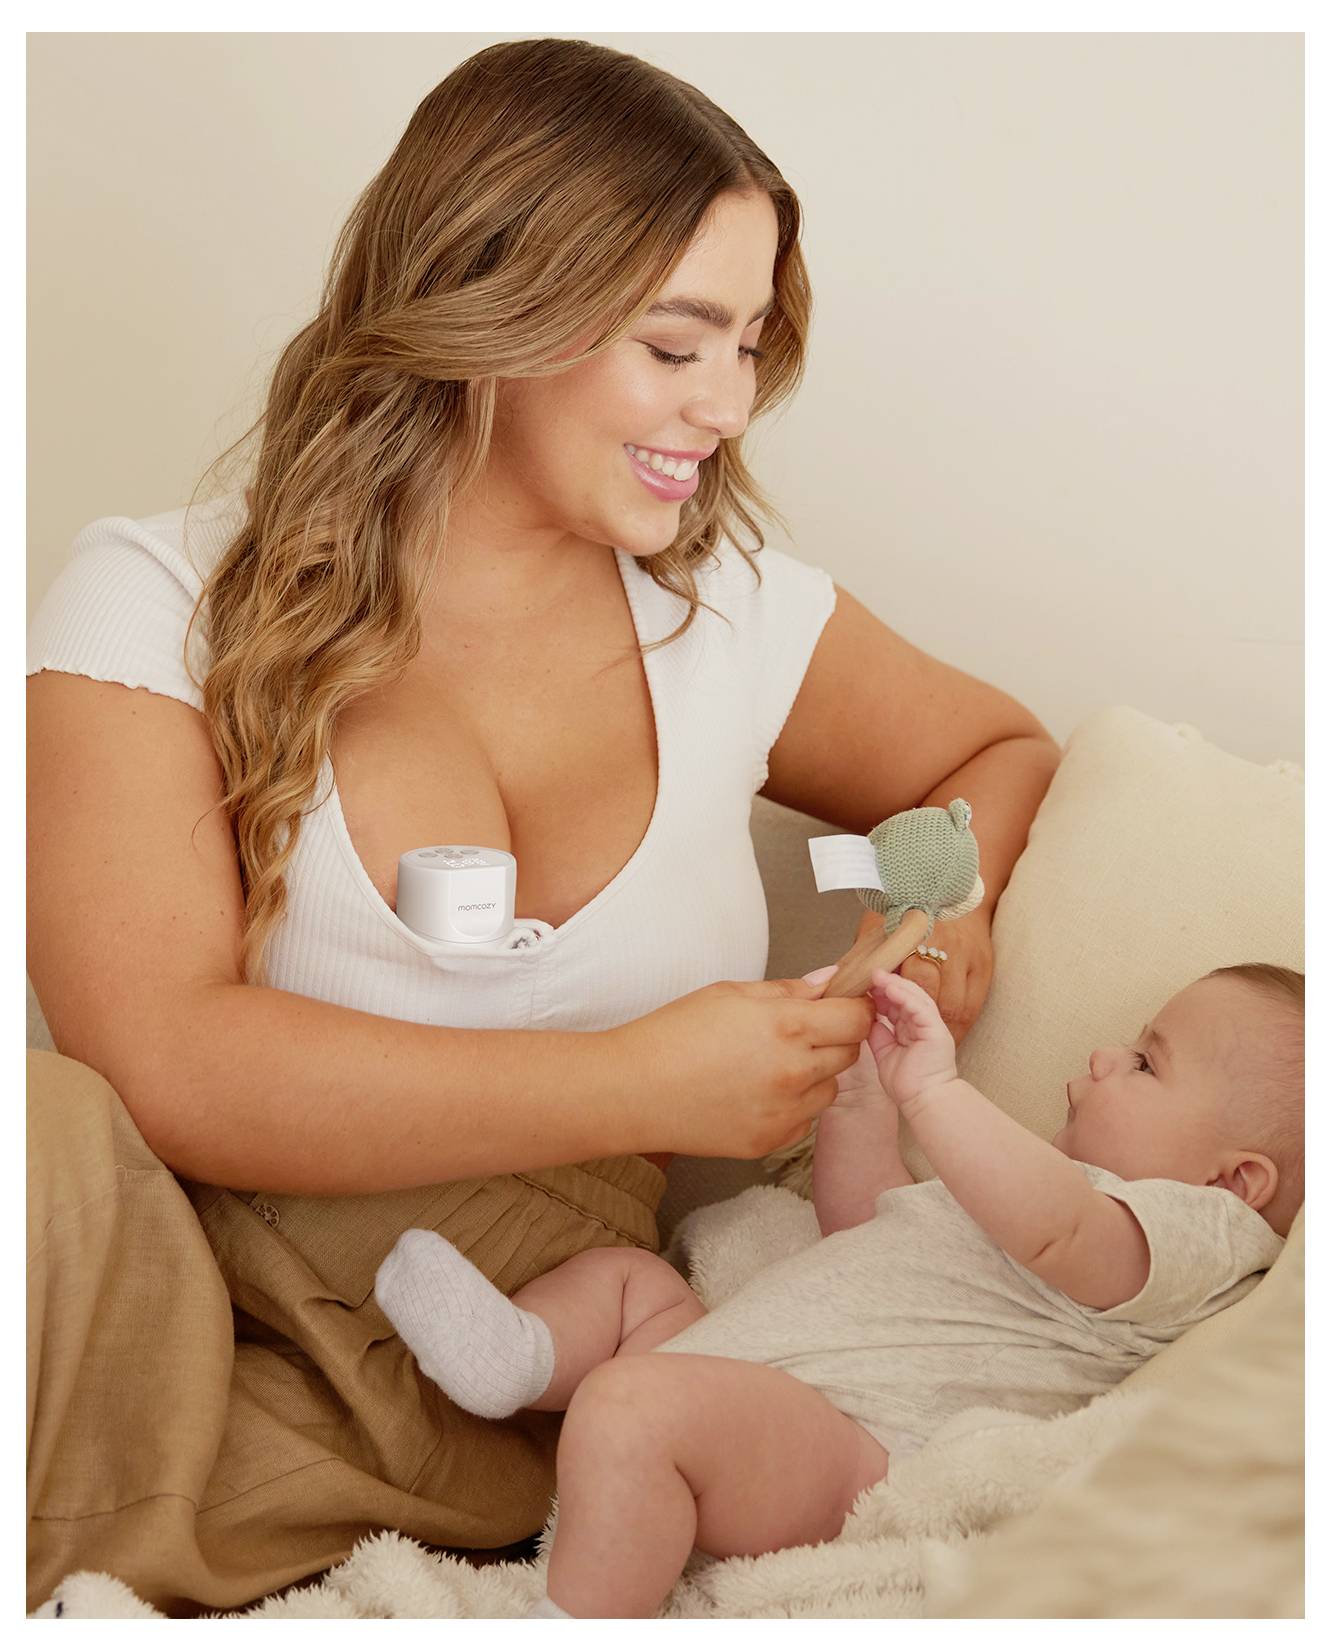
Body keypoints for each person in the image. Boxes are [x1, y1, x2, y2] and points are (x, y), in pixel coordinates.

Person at [25, 37, 1060, 1615]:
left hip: (490, 1360)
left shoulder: (739, 625)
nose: (725, 403)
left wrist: (955, 898)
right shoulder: (159, 599)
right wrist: (638, 1077)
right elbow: (157, 1057)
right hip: (160, 1274)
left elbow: (992, 745)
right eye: (676, 344)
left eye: (750, 343)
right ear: (492, 309)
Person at [375, 961, 1304, 1619]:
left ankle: (573, 1618)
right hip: (745, 1389)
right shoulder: (1021, 1204)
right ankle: (518, 1357)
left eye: (1145, 1063)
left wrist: (935, 1091)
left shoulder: (1188, 1236)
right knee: (637, 1282)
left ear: (1237, 1181)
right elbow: (870, 1229)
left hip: (846, 1443)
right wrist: (861, 1100)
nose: (1104, 1055)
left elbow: (1056, 1226)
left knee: (630, 1405)